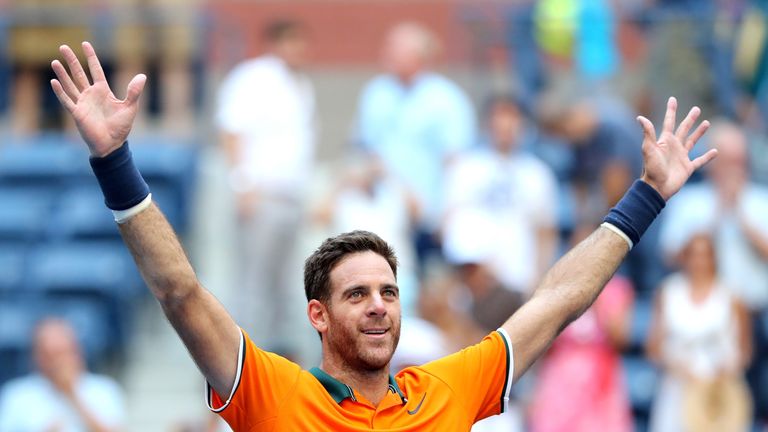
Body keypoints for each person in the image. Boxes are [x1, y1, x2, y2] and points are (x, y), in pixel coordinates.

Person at [49, 41, 716, 430]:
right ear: (317, 314)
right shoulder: (275, 394)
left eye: (389, 291)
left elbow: (558, 299)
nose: (378, 305)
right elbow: (180, 292)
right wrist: (115, 163)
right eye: (357, 293)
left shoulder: (445, 390)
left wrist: (647, 197)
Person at [215, 19, 315, 352]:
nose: (297, 50)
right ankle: (243, 361)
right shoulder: (253, 78)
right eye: (290, 42)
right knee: (253, 285)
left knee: (286, 285)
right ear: (273, 44)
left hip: (291, 198)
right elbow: (232, 129)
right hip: (262, 196)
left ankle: (278, 363)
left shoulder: (301, 85)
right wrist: (242, 184)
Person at [355, 21, 476, 269]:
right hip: (387, 213)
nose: (386, 53)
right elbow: (368, 150)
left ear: (419, 55)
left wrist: (447, 212)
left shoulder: (446, 99)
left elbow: (456, 161)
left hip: (431, 216)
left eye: (395, 48)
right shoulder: (377, 93)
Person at [646, 232, 752, 432]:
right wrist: (677, 367)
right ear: (685, 258)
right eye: (694, 254)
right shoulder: (668, 292)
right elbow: (654, 348)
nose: (699, 261)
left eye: (705, 255)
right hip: (678, 387)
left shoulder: (732, 294)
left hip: (720, 392)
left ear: (714, 257)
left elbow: (745, 350)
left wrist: (725, 370)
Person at [0, 318, 124, 432]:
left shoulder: (104, 389)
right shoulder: (16, 394)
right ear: (36, 356)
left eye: (62, 353)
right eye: (49, 355)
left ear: (77, 351)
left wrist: (71, 394)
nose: (57, 362)